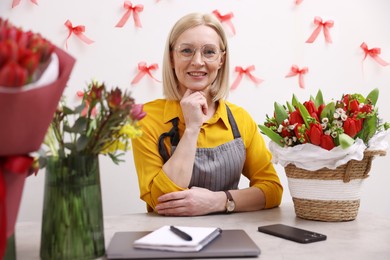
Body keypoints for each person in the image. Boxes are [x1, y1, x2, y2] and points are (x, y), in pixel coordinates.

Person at [131, 12, 283, 216]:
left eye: (209, 52)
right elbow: (161, 200)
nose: (197, 61)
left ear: (221, 59)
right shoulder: (145, 118)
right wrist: (192, 128)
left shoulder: (240, 119)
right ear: (171, 58)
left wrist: (219, 201)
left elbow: (272, 189)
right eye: (186, 50)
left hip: (230, 237)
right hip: (169, 238)